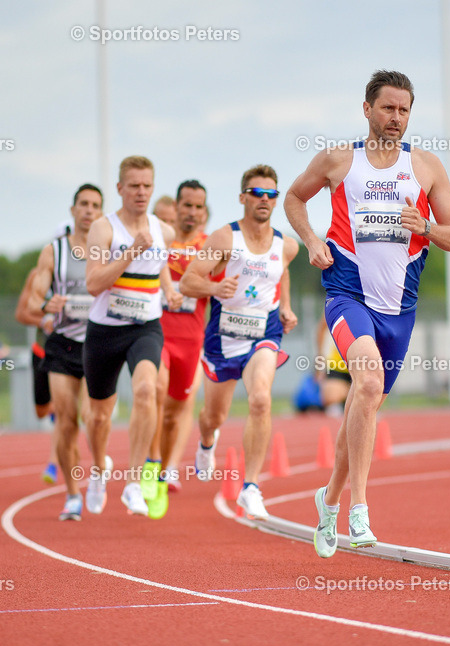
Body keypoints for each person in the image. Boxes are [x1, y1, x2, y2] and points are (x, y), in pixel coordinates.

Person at [284, 70, 450, 556]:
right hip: (347, 296)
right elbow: (294, 198)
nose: (396, 118)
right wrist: (312, 240)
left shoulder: (426, 167)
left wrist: (424, 225)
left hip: (399, 310)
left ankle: (329, 500)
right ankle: (360, 510)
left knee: (363, 409)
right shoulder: (338, 160)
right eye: (388, 108)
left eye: (404, 110)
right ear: (367, 109)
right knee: (364, 385)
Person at [180, 164, 299, 521]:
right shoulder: (223, 239)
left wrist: (288, 308)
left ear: (276, 200)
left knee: (261, 399)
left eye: (271, 194)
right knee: (213, 415)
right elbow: (188, 281)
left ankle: (251, 487)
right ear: (243, 197)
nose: (264, 200)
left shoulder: (286, 245)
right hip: (224, 338)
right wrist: (215, 287)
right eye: (257, 194)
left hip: (265, 333)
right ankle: (206, 443)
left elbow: (282, 272)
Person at [83, 156, 182, 516]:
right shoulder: (103, 229)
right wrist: (129, 252)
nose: (141, 192)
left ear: (153, 188)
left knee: (146, 391)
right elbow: (93, 284)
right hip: (105, 332)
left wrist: (169, 289)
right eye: (134, 186)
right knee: (98, 417)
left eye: (147, 186)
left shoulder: (164, 231)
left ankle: (134, 482)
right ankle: (97, 470)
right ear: (120, 188)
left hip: (145, 327)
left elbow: (160, 267)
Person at [17, 183, 104, 520]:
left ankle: (97, 471)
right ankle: (72, 495)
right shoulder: (54, 251)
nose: (88, 210)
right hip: (63, 344)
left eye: (95, 205)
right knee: (66, 421)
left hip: (98, 342)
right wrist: (45, 303)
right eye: (83, 204)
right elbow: (36, 291)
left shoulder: (109, 248)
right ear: (73, 211)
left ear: (101, 213)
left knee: (94, 419)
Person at [142, 180, 210, 517]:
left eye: (199, 207)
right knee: (154, 390)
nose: (192, 212)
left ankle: (167, 467)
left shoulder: (212, 247)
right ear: (177, 208)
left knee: (174, 413)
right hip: (156, 333)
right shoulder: (160, 241)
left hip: (192, 339)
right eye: (187, 206)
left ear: (204, 212)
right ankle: (152, 464)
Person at [15, 266, 59, 483]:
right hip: (42, 350)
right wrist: (43, 320)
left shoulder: (85, 269)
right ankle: (59, 414)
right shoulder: (37, 275)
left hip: (71, 351)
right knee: (42, 411)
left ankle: (53, 463)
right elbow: (21, 313)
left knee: (64, 407)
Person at [316, 312, 351, 417]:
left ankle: (357, 402)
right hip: (338, 364)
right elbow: (322, 327)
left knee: (368, 391)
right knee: (330, 397)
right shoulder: (339, 302)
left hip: (362, 364)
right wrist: (320, 358)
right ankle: (348, 399)